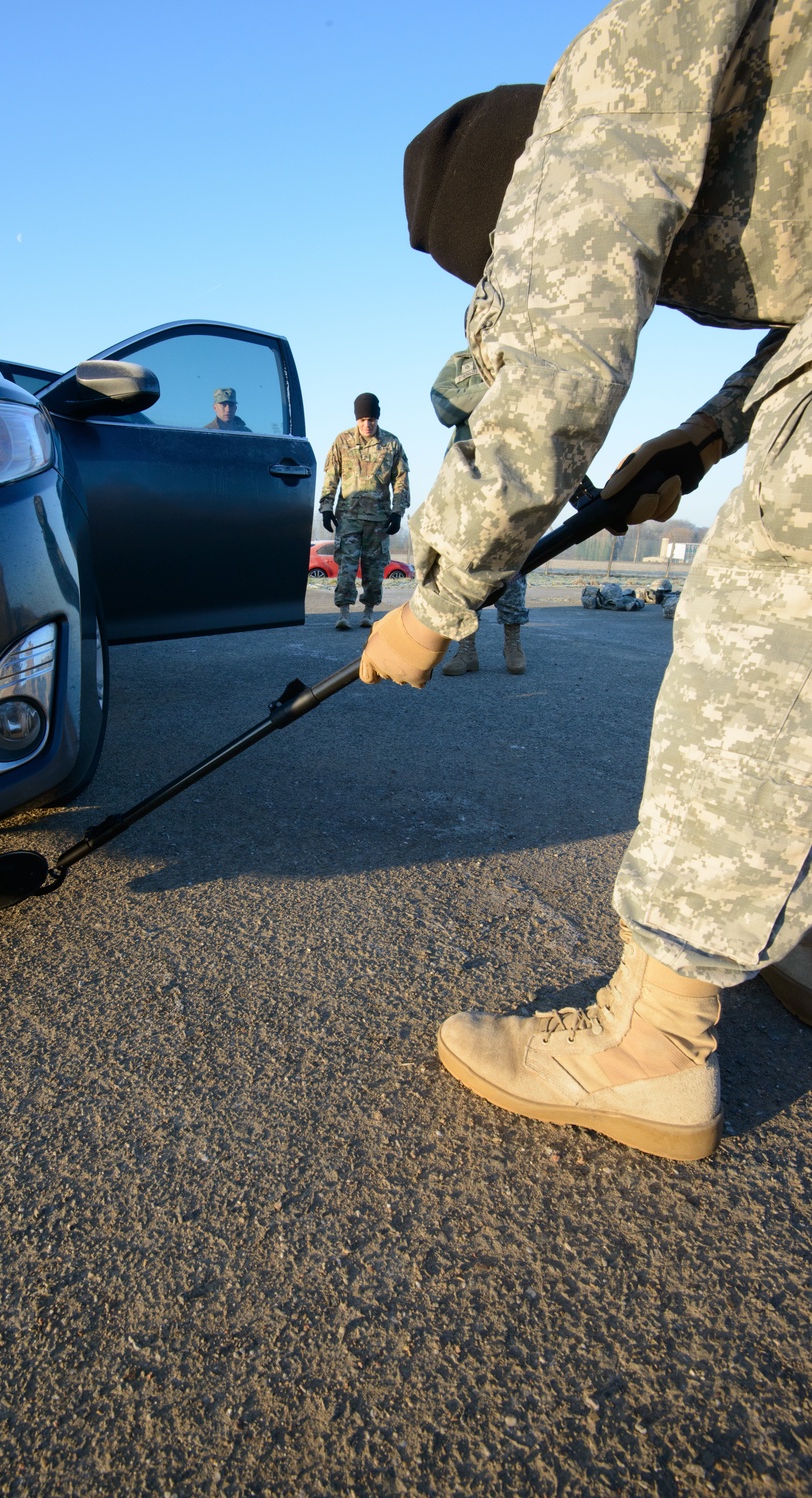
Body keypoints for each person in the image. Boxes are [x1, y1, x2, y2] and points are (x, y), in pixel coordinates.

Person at [359, 0, 812, 1161]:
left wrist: (431, 603)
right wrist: (708, 435)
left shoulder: (602, 86)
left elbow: (554, 368)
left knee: (765, 617)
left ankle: (653, 1045)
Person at [431, 351, 528, 675]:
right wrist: (494, 390)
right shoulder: (460, 363)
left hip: (512, 473)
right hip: (469, 477)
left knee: (512, 563)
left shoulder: (523, 355)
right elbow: (445, 407)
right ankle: (466, 649)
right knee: (466, 564)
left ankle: (512, 643)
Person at [320, 394, 410, 630]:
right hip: (349, 517)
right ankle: (344, 612)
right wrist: (326, 507)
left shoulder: (391, 444)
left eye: (371, 419)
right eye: (362, 420)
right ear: (356, 419)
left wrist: (397, 512)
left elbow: (400, 481)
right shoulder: (343, 441)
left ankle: (369, 611)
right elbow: (331, 476)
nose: (367, 425)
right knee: (347, 567)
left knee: (374, 568)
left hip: (378, 520)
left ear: (377, 418)